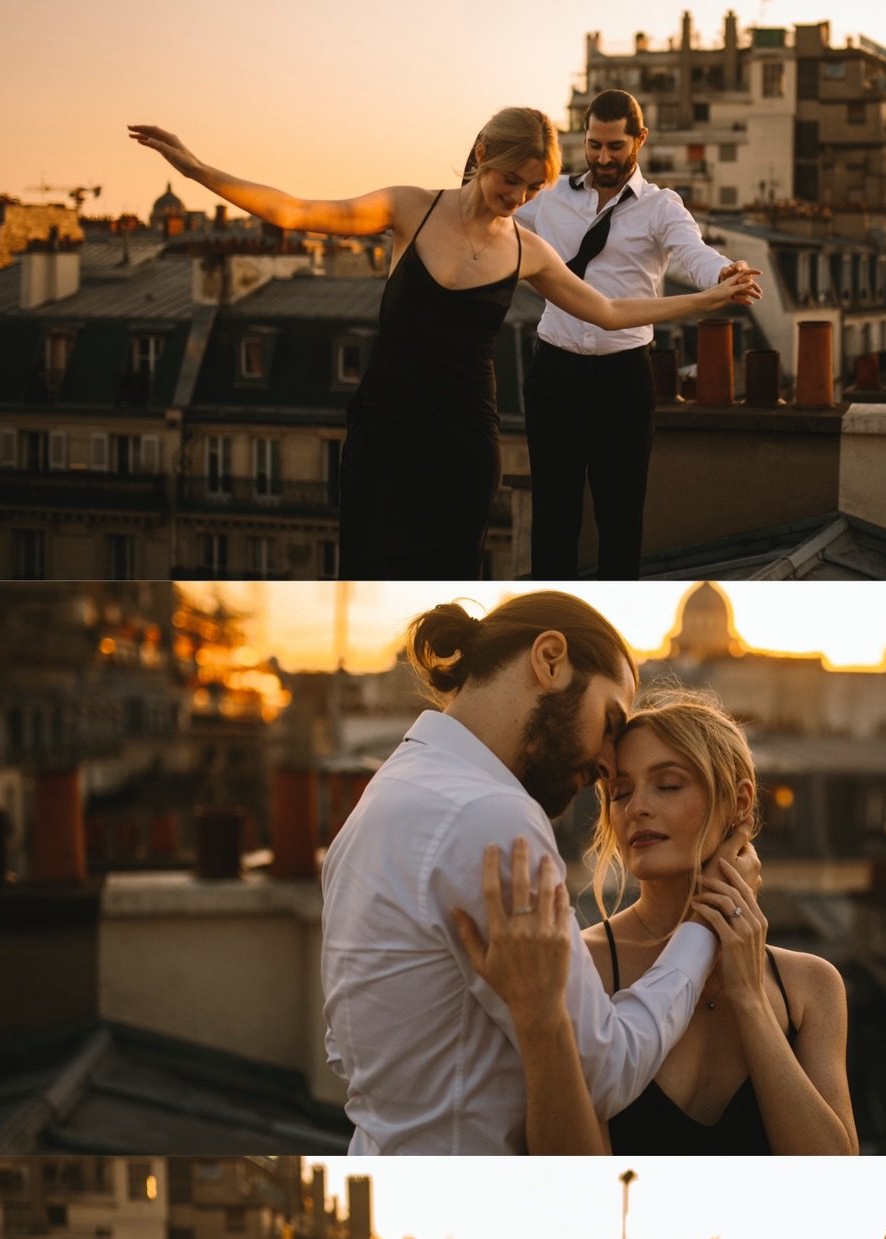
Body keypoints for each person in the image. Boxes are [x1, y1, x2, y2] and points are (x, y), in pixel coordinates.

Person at [127, 112, 757, 577]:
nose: (517, 198)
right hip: (382, 435)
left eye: (533, 190)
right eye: (510, 180)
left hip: (463, 450)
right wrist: (198, 170)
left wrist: (706, 299)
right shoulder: (409, 209)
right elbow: (294, 212)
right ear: (481, 153)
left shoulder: (526, 248)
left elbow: (612, 311)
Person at [320, 592, 751, 1154]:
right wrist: (703, 925)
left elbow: (339, 1047)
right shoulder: (491, 814)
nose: (607, 763)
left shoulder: (387, 793)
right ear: (550, 660)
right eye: (609, 722)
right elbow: (606, 1070)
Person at [459, 689, 858, 1154]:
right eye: (620, 792)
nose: (636, 808)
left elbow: (831, 1172)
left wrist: (749, 996)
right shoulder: (577, 963)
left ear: (741, 802)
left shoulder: (810, 986)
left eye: (668, 785)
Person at [516, 90, 760, 579]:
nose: (604, 158)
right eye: (594, 145)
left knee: (620, 520)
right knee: (552, 520)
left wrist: (723, 275)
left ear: (640, 140)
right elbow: (493, 214)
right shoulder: (550, 199)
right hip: (554, 371)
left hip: (622, 378)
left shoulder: (660, 207)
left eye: (616, 147)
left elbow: (693, 252)